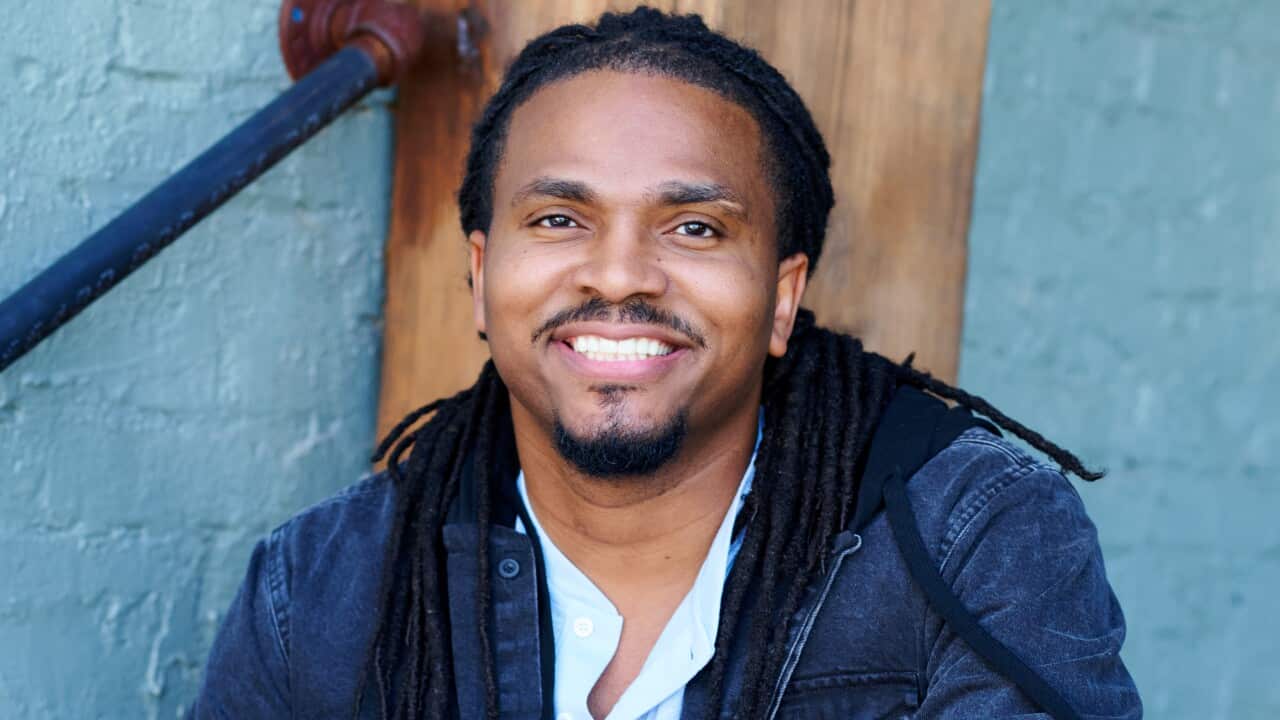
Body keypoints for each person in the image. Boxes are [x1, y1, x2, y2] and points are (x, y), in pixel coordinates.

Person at [193, 8, 1141, 719]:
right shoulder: (320, 590)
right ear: (482, 276)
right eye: (560, 219)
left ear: (780, 294)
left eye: (693, 227)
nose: (619, 275)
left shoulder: (973, 537)